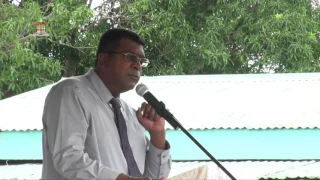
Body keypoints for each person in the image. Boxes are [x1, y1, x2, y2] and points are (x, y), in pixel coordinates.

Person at [41, 28, 172, 180]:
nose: (138, 66)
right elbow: (68, 159)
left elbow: (154, 177)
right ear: (103, 60)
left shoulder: (130, 115)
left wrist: (157, 134)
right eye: (130, 57)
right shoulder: (72, 92)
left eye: (141, 61)